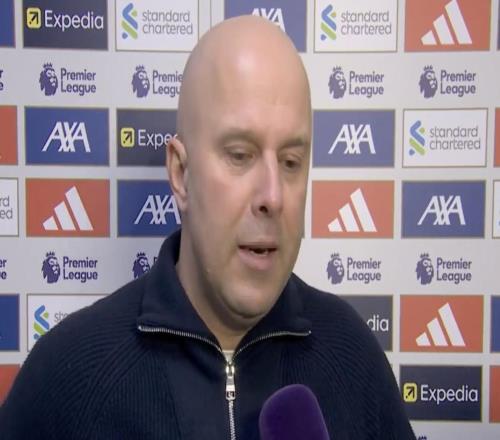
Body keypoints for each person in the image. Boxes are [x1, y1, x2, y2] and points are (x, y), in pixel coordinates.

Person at [0, 16, 416, 439]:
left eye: (291, 161)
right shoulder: (69, 378)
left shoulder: (353, 359)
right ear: (181, 174)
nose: (273, 196)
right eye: (240, 155)